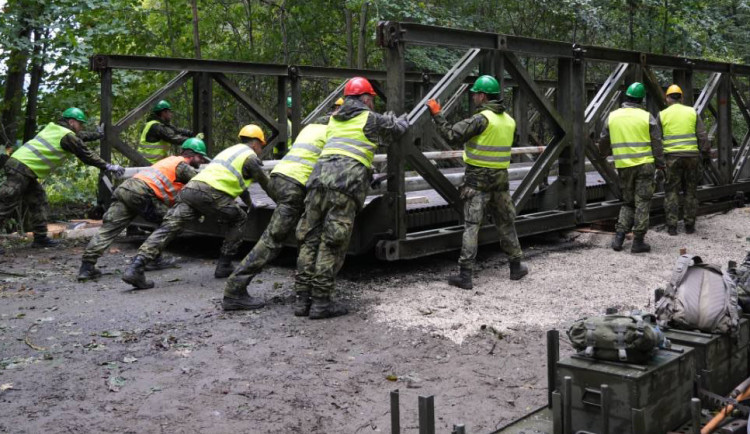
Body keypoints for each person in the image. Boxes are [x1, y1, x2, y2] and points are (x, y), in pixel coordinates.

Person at [294, 76, 408, 319]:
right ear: (366, 98)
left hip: (317, 183)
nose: (373, 104)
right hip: (343, 188)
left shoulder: (333, 120)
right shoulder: (369, 118)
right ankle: (321, 301)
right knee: (332, 242)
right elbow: (396, 130)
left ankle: (302, 299)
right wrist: (403, 120)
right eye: (372, 100)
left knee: (310, 240)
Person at [122, 125, 272, 297]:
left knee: (168, 228)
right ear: (255, 143)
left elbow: (241, 185)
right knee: (238, 218)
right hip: (210, 193)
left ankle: (135, 267)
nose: (261, 149)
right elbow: (267, 185)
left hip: (190, 190)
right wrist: (283, 202)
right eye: (262, 145)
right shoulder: (250, 157)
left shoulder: (229, 152)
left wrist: (249, 202)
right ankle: (224, 265)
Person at [426, 75, 528, 290]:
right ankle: (516, 266)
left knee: (472, 226)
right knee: (506, 222)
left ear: (482, 96)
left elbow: (452, 135)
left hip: (477, 179)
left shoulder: (481, 119)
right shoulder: (509, 120)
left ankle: (465, 275)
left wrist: (437, 114)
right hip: (500, 178)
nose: (473, 98)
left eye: (475, 94)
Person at [222, 117, 331, 310]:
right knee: (272, 240)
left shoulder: (311, 129)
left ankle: (304, 291)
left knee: (295, 234)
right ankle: (235, 288)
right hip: (295, 185)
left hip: (280, 177)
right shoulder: (333, 132)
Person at [77, 138, 210, 281]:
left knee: (109, 229)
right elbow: (202, 185)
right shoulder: (183, 166)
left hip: (126, 189)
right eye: (201, 157)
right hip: (143, 194)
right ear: (192, 155)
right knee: (171, 222)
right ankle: (151, 259)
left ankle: (86, 268)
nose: (202, 161)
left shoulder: (170, 160)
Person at [0, 108, 124, 249]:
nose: (81, 127)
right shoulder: (66, 136)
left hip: (22, 167)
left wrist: (97, 135)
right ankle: (40, 238)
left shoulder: (55, 129)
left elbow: (79, 136)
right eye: (80, 123)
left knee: (38, 200)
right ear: (71, 122)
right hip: (22, 168)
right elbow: (86, 155)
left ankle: (40, 238)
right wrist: (108, 166)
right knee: (5, 204)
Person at [599, 82, 665, 253]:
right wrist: (660, 163)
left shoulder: (612, 116)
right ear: (641, 100)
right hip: (644, 165)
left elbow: (604, 140)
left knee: (627, 202)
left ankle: (619, 237)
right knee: (642, 201)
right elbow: (656, 142)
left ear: (626, 97)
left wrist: (603, 153)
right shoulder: (646, 116)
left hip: (623, 166)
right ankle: (638, 241)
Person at [657, 84, 709, 235]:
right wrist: (705, 153)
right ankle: (689, 225)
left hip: (672, 158)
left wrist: (658, 160)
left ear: (667, 98)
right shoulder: (692, 112)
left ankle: (672, 226)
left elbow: (655, 138)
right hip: (692, 157)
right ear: (681, 98)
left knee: (671, 191)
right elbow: (702, 135)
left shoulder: (662, 114)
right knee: (690, 191)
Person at [138, 100, 196, 164]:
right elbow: (173, 138)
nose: (171, 114)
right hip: (147, 164)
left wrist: (192, 133)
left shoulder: (160, 124)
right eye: (169, 112)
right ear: (164, 112)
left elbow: (176, 130)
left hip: (153, 163)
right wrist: (193, 140)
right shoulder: (156, 126)